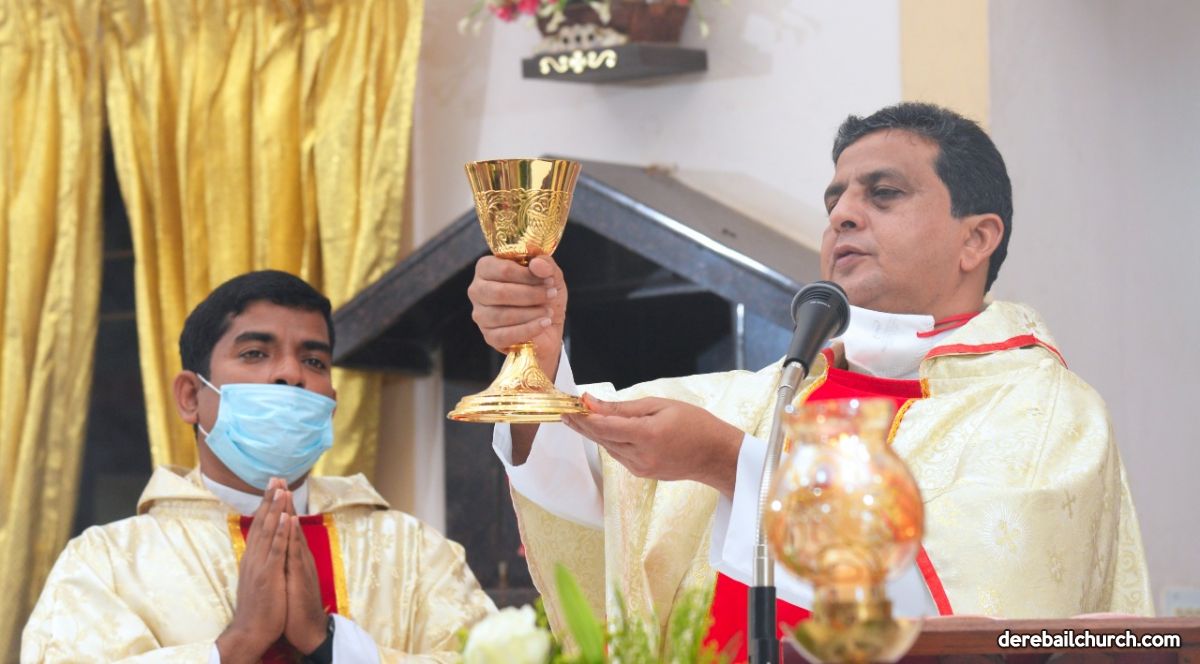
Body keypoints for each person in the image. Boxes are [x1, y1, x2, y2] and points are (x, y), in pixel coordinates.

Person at [468, 103, 1153, 659]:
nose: (842, 214)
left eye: (884, 193)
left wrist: (731, 465)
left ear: (976, 239)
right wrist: (539, 356)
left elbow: (970, 617)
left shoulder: (1045, 416)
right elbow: (584, 482)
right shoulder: (772, 394)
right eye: (836, 198)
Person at [23, 271, 494, 663]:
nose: (290, 373)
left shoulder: (412, 551)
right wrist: (239, 642)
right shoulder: (106, 563)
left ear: (330, 404)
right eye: (254, 353)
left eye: (314, 360)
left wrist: (328, 643)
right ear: (190, 397)